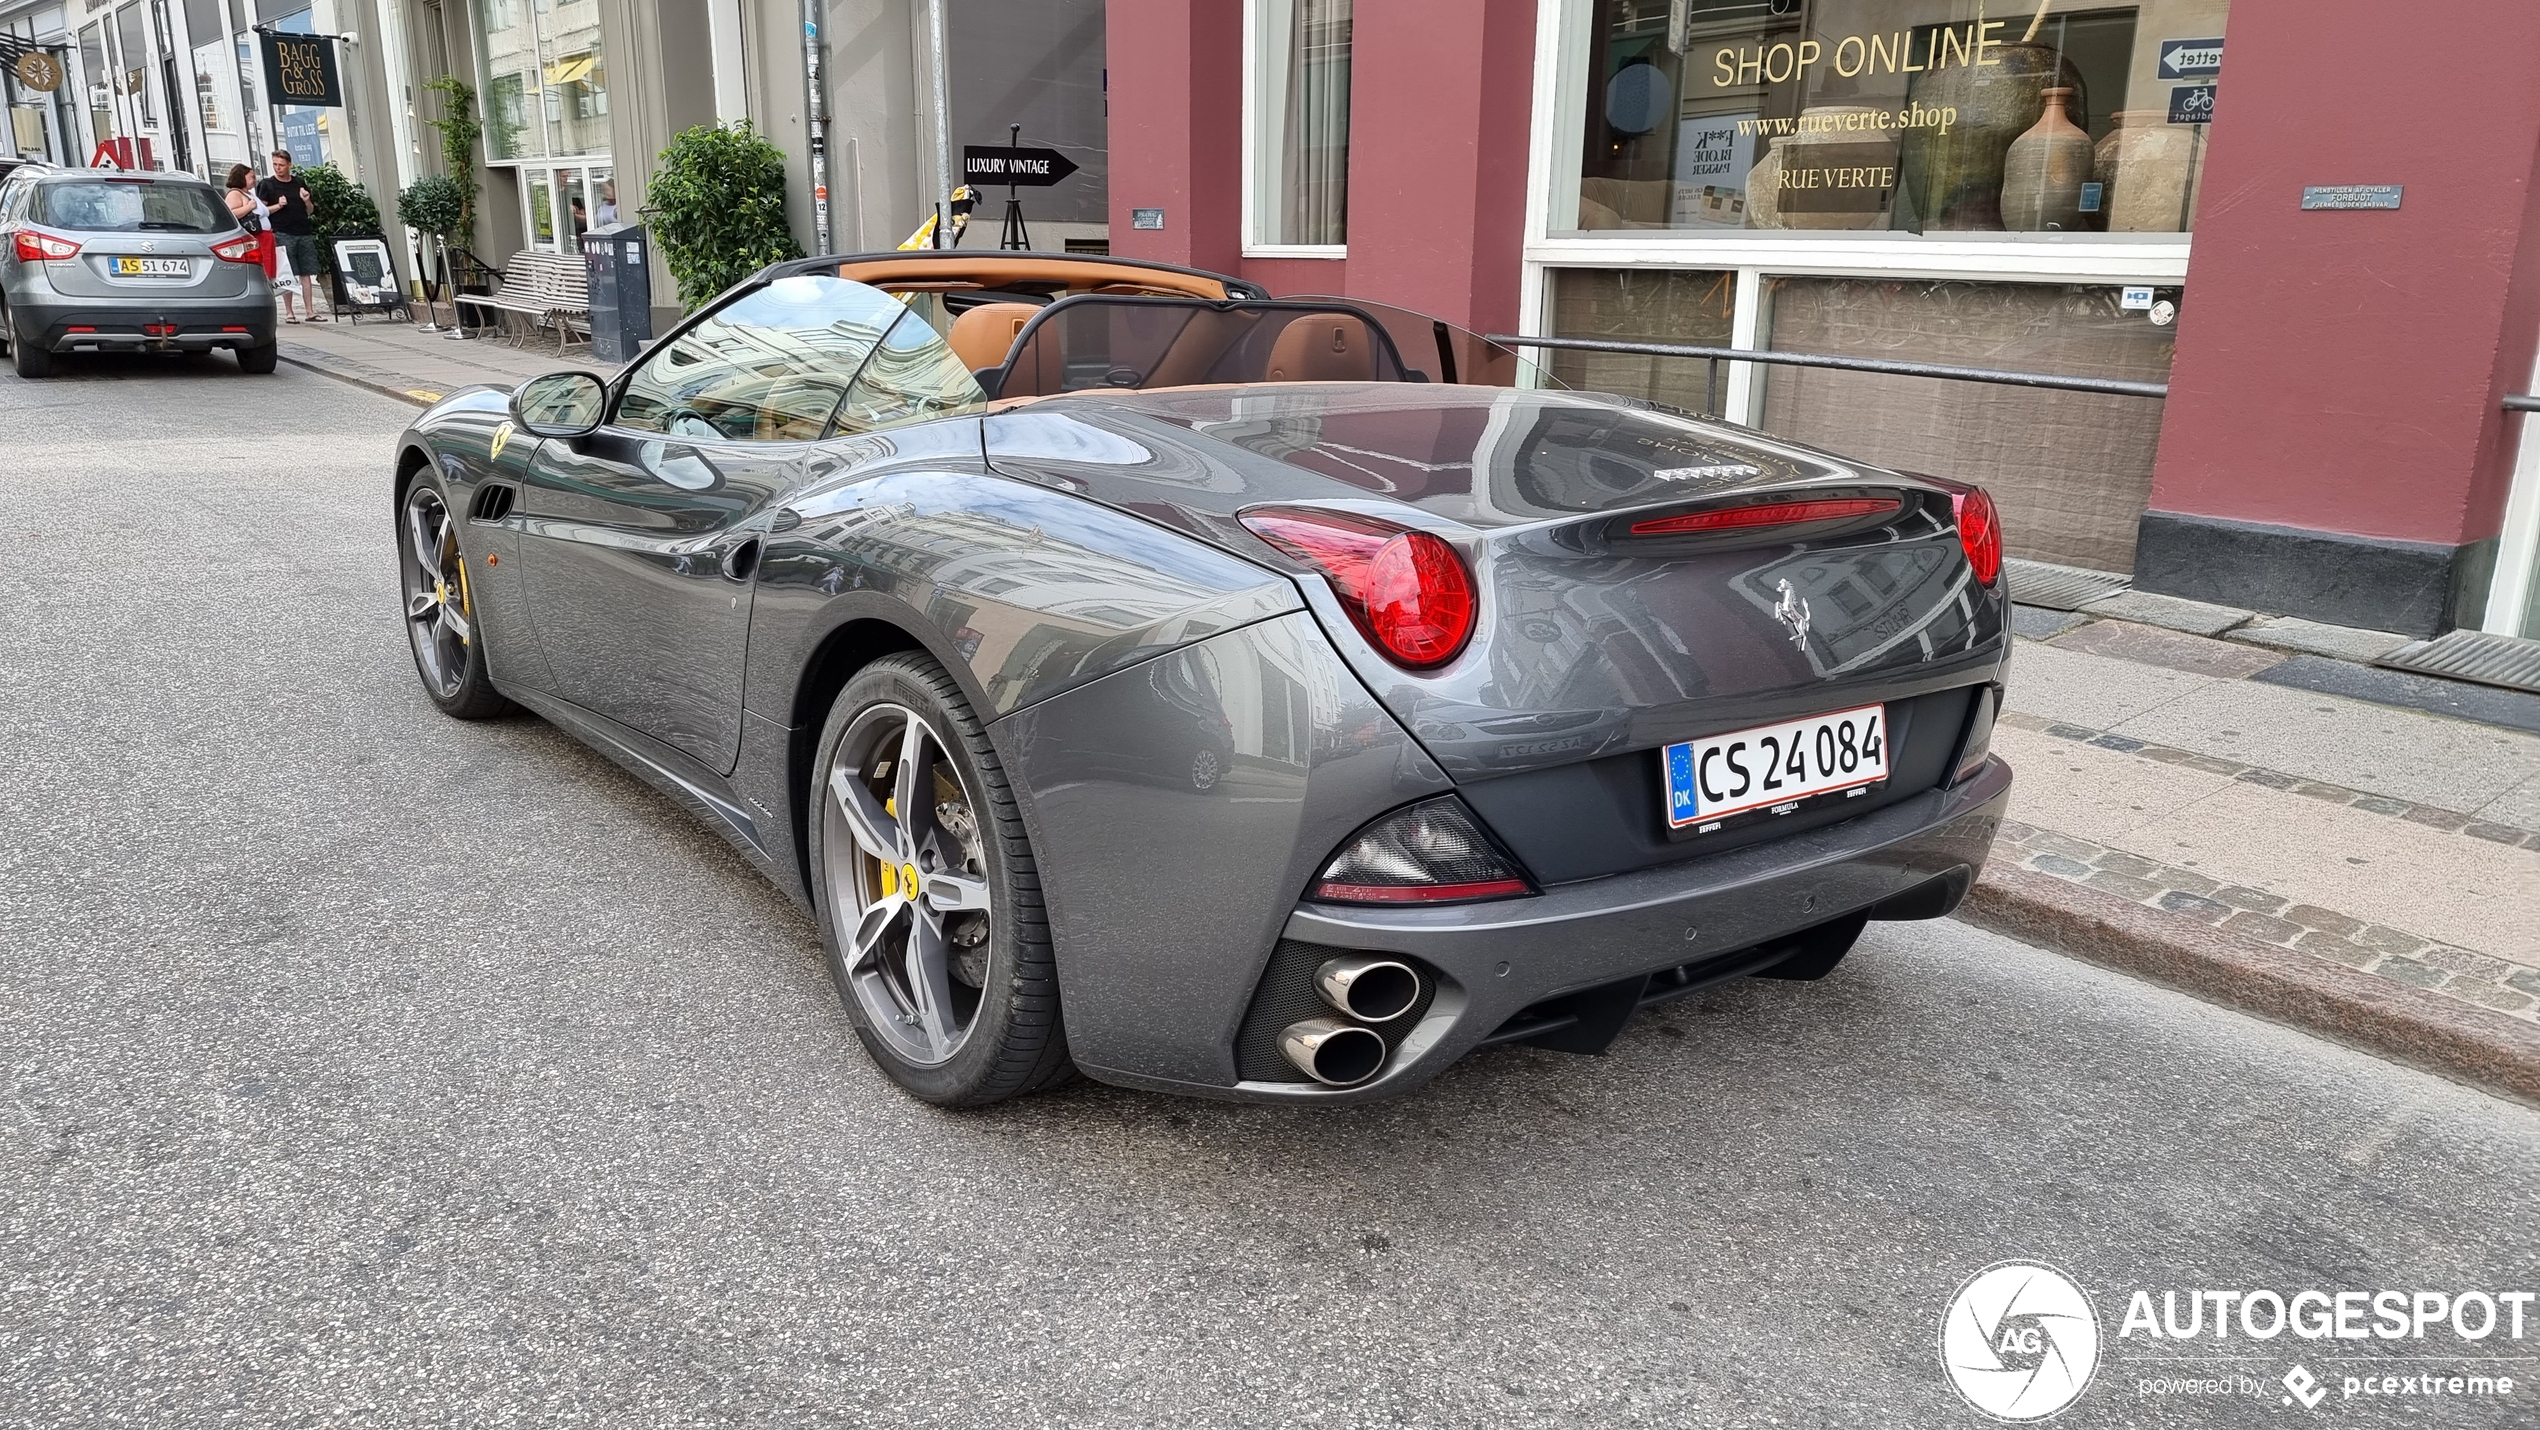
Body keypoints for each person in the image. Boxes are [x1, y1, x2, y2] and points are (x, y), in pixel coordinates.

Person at [255, 150, 320, 323]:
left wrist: (306, 200)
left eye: (281, 165)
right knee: (287, 273)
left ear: (289, 164)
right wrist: (279, 205)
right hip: (282, 232)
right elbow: (262, 211)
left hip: (303, 231)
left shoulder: (298, 182)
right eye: (275, 164)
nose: (278, 168)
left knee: (306, 272)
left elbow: (310, 210)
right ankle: (290, 312)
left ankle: (310, 311)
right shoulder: (268, 185)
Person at [220, 163, 277, 280]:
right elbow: (232, 213)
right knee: (263, 269)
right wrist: (249, 207)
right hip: (257, 236)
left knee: (269, 269)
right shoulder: (235, 194)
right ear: (242, 177)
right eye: (251, 177)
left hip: (266, 237)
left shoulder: (250, 194)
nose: (254, 180)